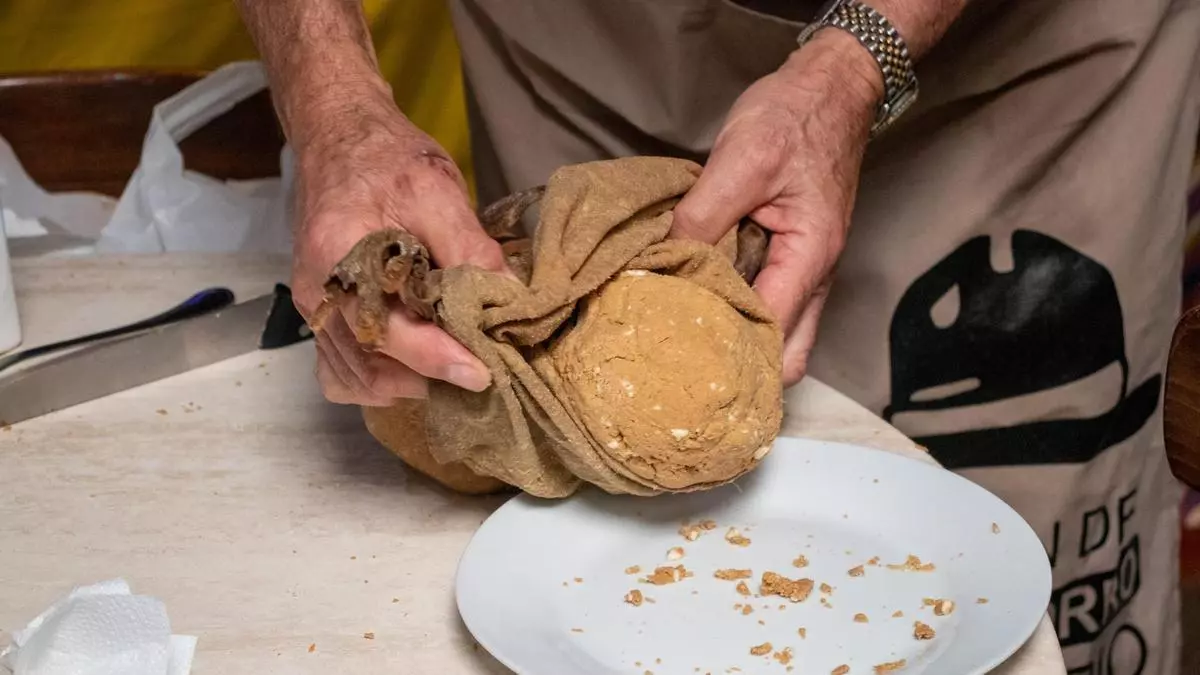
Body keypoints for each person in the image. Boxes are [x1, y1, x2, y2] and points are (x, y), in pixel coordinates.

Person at [235, 0, 1200, 671]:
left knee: (1032, 598)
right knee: (528, 539)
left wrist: (857, 60)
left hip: (1009, 65)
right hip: (585, 39)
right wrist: (334, 108)